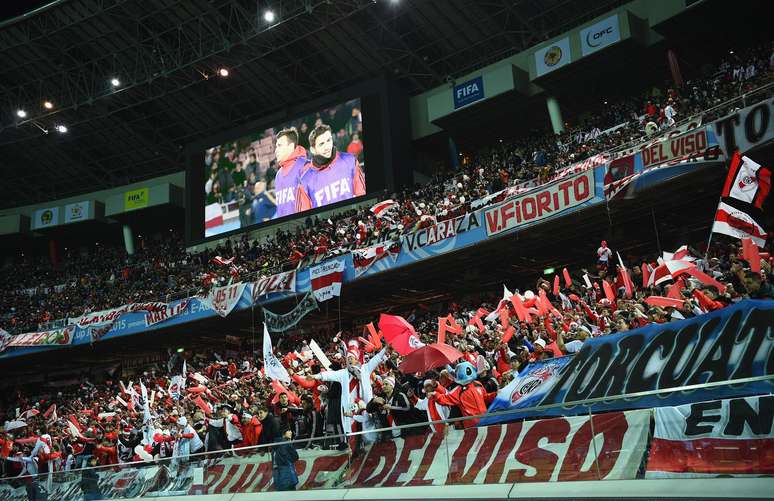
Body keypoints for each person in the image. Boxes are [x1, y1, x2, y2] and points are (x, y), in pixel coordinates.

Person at [295, 124, 366, 212]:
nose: (327, 146)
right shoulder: (305, 180)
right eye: (321, 144)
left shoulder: (349, 160)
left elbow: (362, 195)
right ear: (313, 149)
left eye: (328, 140)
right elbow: (302, 215)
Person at [272, 128, 308, 220]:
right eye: (276, 146)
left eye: (279, 145)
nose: (276, 150)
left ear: (291, 146)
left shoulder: (306, 166)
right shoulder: (278, 175)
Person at [271, 427, 299, 491]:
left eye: (291, 430)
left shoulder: (274, 444)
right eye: (288, 430)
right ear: (283, 434)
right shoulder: (287, 443)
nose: (291, 432)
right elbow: (296, 457)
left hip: (277, 475)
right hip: (287, 472)